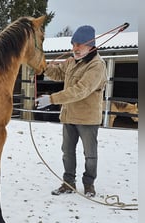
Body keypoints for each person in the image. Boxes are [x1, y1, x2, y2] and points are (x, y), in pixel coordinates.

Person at [36, 25, 108, 197]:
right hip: (69, 116)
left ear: (91, 46)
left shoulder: (97, 66)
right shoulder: (71, 61)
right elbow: (58, 73)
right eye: (73, 43)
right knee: (67, 152)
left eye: (79, 44)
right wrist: (43, 66)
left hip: (87, 119)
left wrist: (51, 99)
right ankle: (68, 183)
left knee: (90, 155)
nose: (75, 48)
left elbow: (80, 90)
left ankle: (89, 184)